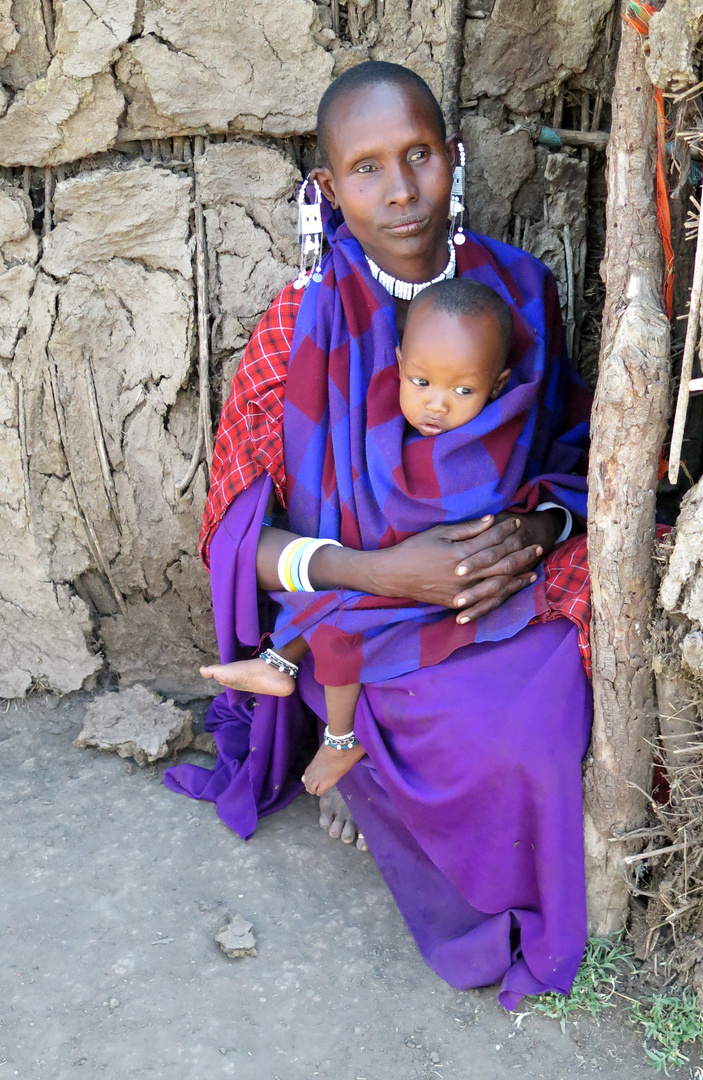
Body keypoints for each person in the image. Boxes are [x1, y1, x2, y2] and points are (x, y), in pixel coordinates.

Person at [165, 60, 594, 1010]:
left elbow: (572, 457)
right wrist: (383, 568)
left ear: (457, 158)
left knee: (538, 715)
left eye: (420, 156)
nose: (400, 191)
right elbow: (238, 541)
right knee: (462, 731)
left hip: (497, 595)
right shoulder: (299, 324)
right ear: (326, 189)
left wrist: (529, 529)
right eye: (366, 168)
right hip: (355, 624)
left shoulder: (519, 293)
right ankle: (360, 767)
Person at [200, 278, 519, 799]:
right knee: (338, 587)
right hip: (386, 573)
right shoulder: (375, 422)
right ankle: (279, 662)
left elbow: (480, 514)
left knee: (343, 627)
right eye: (420, 382)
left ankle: (340, 735)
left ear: (498, 385)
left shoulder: (488, 446)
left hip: (440, 594)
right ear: (396, 362)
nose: (437, 405)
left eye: (463, 391)